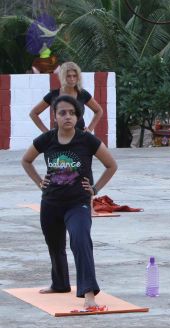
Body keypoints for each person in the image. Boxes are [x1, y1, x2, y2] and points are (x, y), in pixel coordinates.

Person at [21, 95, 117, 310]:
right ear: (55, 116)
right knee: (55, 245)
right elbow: (26, 160)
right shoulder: (47, 139)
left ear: (78, 117)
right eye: (62, 113)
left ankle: (89, 293)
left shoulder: (87, 140)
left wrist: (95, 189)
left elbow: (111, 165)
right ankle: (60, 284)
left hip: (77, 203)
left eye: (72, 113)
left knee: (80, 241)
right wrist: (39, 182)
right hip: (51, 202)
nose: (67, 117)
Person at [29, 62, 103, 134]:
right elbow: (33, 113)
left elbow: (99, 111)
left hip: (80, 137)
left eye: (74, 76)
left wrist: (90, 129)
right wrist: (46, 132)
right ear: (62, 77)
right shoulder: (54, 95)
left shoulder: (82, 94)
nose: (72, 79)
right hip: (59, 138)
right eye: (68, 76)